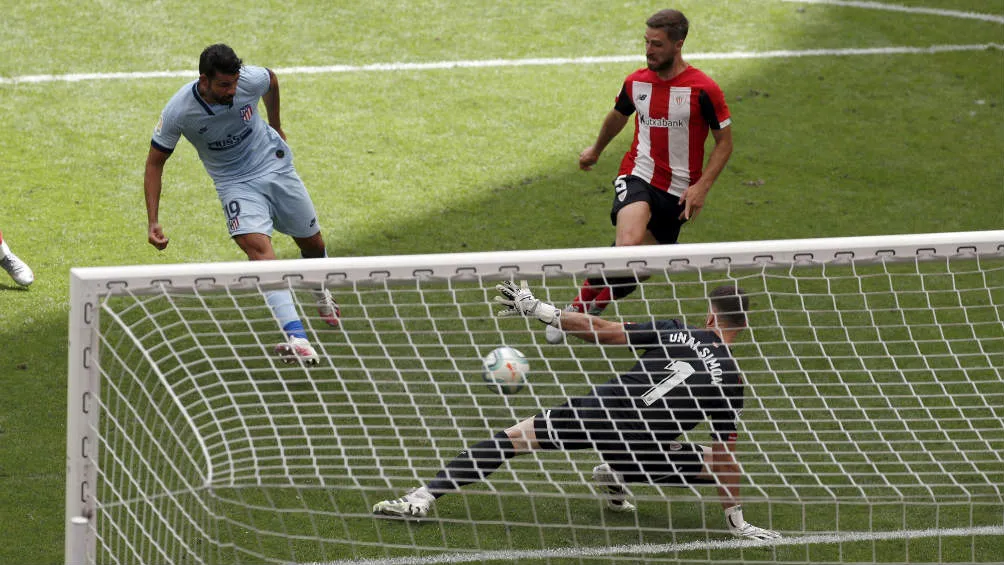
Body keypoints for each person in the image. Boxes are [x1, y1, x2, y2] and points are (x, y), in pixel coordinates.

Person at [373, 281, 780, 541]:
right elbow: (726, 458)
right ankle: (618, 472)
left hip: (600, 409)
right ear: (742, 327)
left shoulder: (677, 330)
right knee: (712, 460)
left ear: (710, 316)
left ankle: (422, 497)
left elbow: (602, 330)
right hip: (639, 444)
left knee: (513, 440)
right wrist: (737, 521)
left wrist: (541, 310)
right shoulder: (732, 381)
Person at [547, 8, 733, 344]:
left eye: (657, 44)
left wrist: (702, 187)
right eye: (646, 42)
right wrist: (595, 150)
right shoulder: (636, 82)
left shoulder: (704, 89)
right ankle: (577, 307)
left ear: (678, 44)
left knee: (641, 266)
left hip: (678, 192)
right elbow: (619, 115)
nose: (649, 50)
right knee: (629, 245)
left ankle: (598, 299)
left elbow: (725, 143)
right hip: (638, 174)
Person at [145, 43, 338, 365]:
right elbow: (155, 163)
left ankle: (320, 291)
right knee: (259, 252)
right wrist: (153, 220)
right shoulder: (179, 111)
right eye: (224, 85)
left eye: (234, 83)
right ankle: (298, 338)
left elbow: (271, 79)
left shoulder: (248, 80)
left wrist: (275, 123)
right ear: (204, 80)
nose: (232, 91)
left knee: (313, 244)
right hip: (234, 184)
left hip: (274, 165)